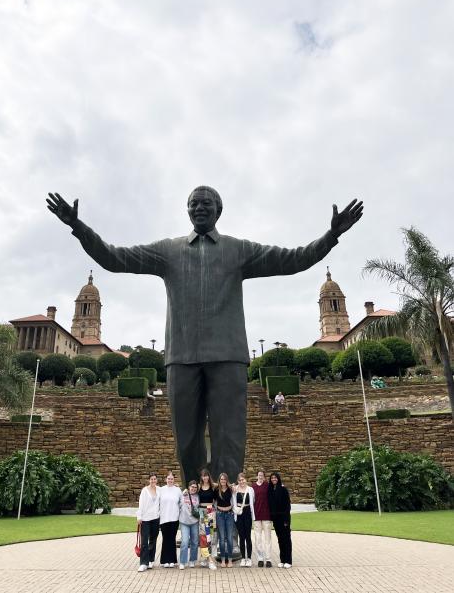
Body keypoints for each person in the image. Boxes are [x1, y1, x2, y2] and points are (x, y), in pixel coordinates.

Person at [47, 188, 363, 484]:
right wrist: (77, 226)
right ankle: (194, 505)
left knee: (229, 438)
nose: (199, 207)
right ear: (187, 210)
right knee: (186, 441)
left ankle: (225, 509)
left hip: (227, 357)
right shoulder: (167, 251)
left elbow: (294, 259)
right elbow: (113, 258)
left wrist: (331, 235)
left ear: (218, 210)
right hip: (182, 358)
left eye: (206, 203)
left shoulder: (238, 250)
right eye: (193, 203)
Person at [136, 472, 161, 572]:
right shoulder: (144, 491)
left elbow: (168, 489)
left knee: (153, 540)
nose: (153, 481)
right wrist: (139, 516)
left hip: (156, 518)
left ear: (157, 480)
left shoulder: (159, 490)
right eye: (151, 479)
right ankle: (143, 563)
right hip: (145, 519)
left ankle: (150, 560)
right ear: (149, 480)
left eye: (155, 479)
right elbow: (141, 504)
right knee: (144, 541)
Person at [268, 472, 292, 568]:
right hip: (276, 519)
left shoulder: (283, 489)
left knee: (286, 539)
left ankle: (288, 561)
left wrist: (286, 520)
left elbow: (287, 506)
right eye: (272, 478)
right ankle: (282, 560)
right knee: (280, 540)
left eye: (275, 478)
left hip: (284, 518)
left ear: (278, 479)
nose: (274, 479)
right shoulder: (270, 490)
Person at [159, 471, 183, 567]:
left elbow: (181, 503)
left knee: (172, 539)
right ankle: (165, 561)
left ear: (174, 480)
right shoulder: (161, 490)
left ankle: (172, 560)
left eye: (172, 479)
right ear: (166, 479)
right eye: (168, 478)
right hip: (164, 518)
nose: (170, 480)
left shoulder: (177, 490)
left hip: (174, 518)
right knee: (165, 539)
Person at [233, 472, 255, 567]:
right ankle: (243, 558)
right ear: (238, 481)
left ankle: (249, 558)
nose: (241, 481)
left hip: (247, 513)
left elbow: (253, 501)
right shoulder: (235, 489)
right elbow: (232, 501)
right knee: (241, 537)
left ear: (245, 479)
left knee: (248, 536)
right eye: (240, 480)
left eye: (243, 479)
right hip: (238, 514)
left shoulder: (250, 490)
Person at [252, 470, 272, 567]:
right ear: (257, 476)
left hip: (266, 515)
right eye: (259, 475)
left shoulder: (267, 486)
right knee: (258, 538)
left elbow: (275, 491)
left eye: (262, 475)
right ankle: (260, 558)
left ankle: (268, 559)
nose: (260, 476)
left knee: (267, 538)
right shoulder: (253, 487)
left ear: (264, 477)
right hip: (256, 516)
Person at [198, 468, 217, 570]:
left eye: (206, 475)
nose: (205, 477)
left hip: (210, 512)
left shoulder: (213, 487)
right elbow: (189, 490)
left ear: (208, 476)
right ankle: (206, 558)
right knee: (203, 536)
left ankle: (210, 559)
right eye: (203, 475)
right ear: (201, 477)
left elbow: (225, 486)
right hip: (201, 512)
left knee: (210, 536)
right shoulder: (198, 486)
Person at [179, 480, 200, 570]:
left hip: (194, 522)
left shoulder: (198, 496)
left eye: (195, 487)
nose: (193, 489)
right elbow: (178, 505)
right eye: (192, 487)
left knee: (194, 542)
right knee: (184, 542)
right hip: (184, 522)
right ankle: (183, 562)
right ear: (189, 487)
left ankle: (192, 560)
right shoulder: (183, 495)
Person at [215, 472, 234, 567]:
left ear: (227, 480)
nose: (223, 481)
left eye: (224, 479)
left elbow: (239, 489)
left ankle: (230, 560)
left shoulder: (231, 489)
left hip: (229, 515)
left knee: (230, 538)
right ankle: (223, 560)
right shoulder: (216, 489)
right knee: (221, 538)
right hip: (219, 515)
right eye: (221, 479)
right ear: (219, 480)